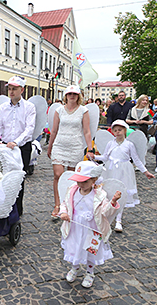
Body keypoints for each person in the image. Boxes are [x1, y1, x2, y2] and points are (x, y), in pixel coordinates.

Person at [58, 161, 121, 288]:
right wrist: (63, 213)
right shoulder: (72, 191)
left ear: (94, 180)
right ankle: (74, 268)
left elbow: (105, 212)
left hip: (91, 228)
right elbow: (65, 203)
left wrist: (113, 202)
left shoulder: (99, 195)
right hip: (75, 226)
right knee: (74, 247)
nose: (81, 184)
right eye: (78, 181)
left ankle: (90, 272)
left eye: (85, 181)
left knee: (90, 250)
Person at [94, 120, 155, 232]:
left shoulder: (129, 145)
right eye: (115, 130)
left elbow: (136, 159)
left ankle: (118, 220)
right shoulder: (110, 143)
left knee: (120, 193)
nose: (118, 132)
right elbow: (105, 157)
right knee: (108, 192)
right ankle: (106, 215)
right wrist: (94, 157)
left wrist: (145, 172)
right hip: (111, 169)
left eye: (120, 130)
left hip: (124, 171)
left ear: (125, 131)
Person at [47, 85, 94, 219]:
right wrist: (50, 146)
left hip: (75, 146)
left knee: (72, 177)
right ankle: (57, 204)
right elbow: (54, 130)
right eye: (69, 94)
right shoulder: (59, 110)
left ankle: (68, 204)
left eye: (74, 94)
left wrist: (90, 149)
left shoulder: (83, 111)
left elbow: (86, 131)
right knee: (58, 174)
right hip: (59, 145)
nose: (71, 96)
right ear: (65, 96)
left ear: (78, 96)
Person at [0, 75, 36, 216]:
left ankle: (17, 210)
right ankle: (2, 207)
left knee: (18, 178)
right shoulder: (3, 107)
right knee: (1, 176)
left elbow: (29, 128)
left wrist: (16, 142)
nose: (11, 92)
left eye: (14, 89)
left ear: (21, 90)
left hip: (22, 147)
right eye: (10, 89)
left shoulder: (29, 107)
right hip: (4, 147)